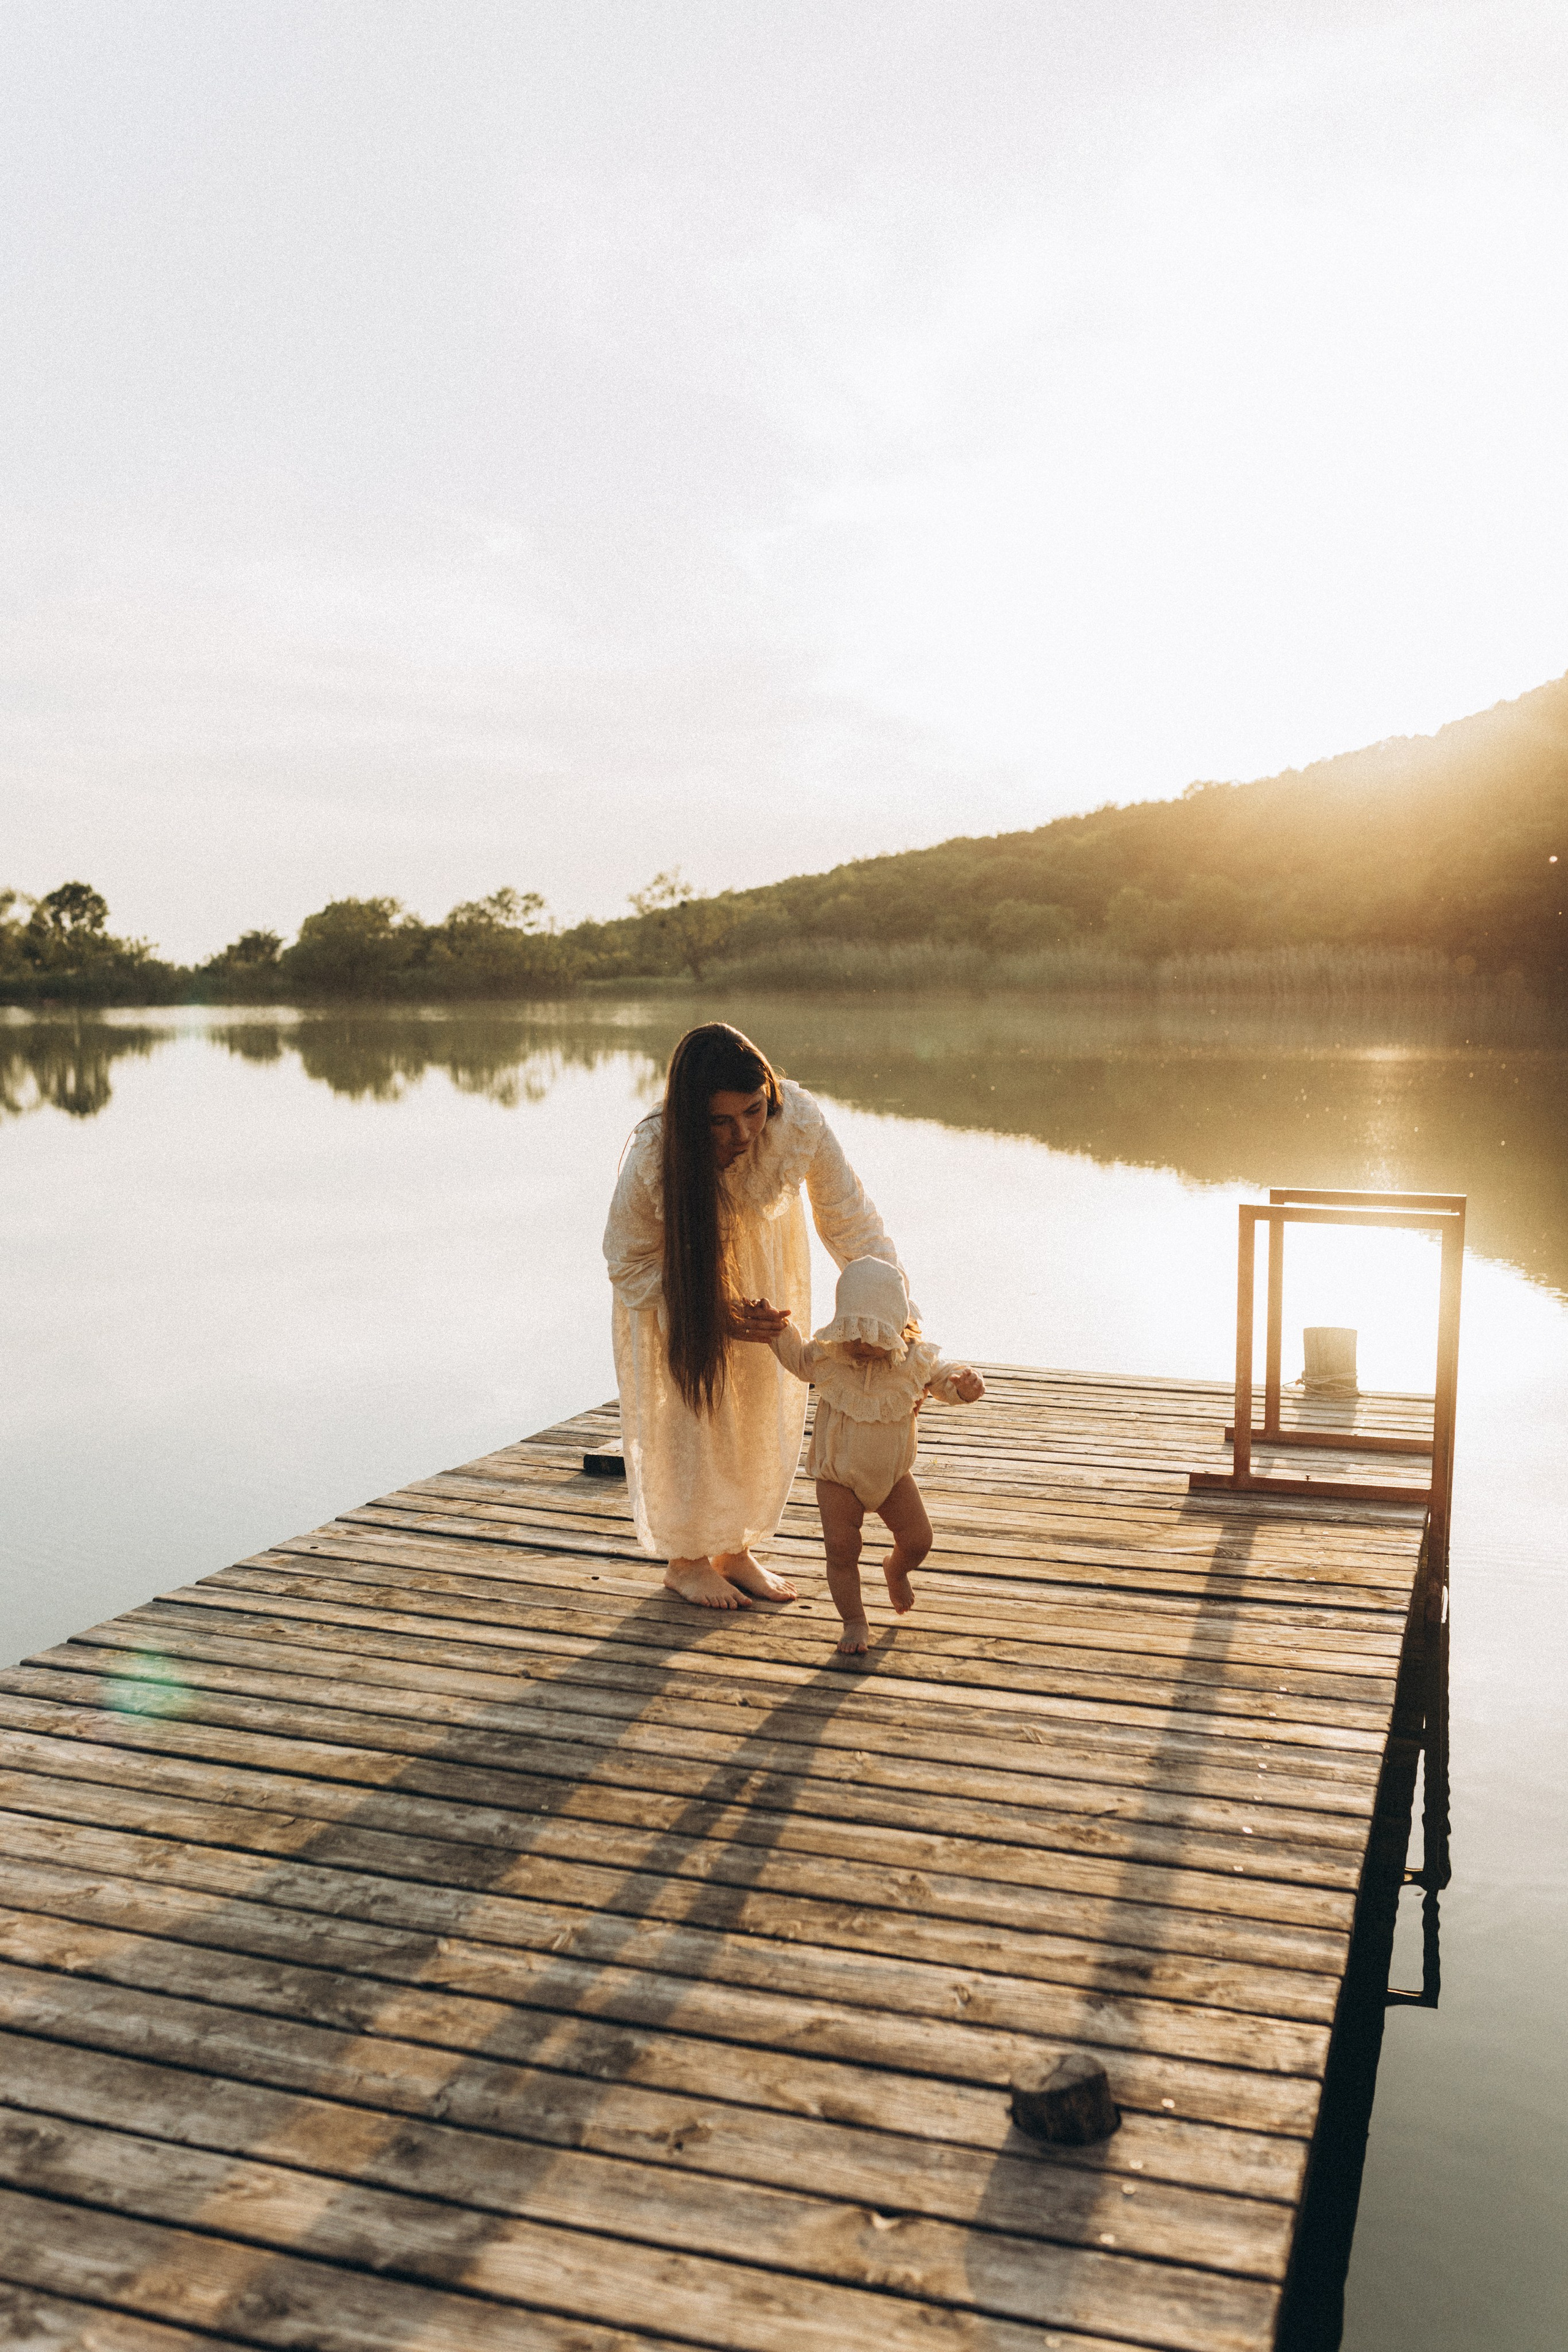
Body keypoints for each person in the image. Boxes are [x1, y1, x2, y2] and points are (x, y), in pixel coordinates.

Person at [603, 1023, 910, 1608]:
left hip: (764, 1284)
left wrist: (895, 1312)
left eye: (753, 1111)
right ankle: (687, 1561)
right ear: (693, 1117)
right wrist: (710, 1311)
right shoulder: (655, 1151)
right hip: (683, 1297)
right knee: (693, 1417)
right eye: (721, 1121)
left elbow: (850, 1219)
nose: (744, 1132)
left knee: (754, 1408)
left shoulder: (796, 1120)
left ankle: (734, 1549)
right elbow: (627, 1258)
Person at [761, 1254, 985, 1655]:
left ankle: (896, 1569)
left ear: (898, 1328)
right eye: (855, 1333)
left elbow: (945, 1380)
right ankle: (854, 1621)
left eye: (875, 1335)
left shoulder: (915, 1361)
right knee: (842, 1550)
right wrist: (779, 1329)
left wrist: (966, 1387)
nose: (863, 1345)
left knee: (919, 1540)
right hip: (838, 1480)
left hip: (894, 1478)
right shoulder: (830, 1356)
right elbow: (796, 1359)